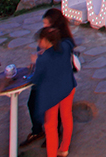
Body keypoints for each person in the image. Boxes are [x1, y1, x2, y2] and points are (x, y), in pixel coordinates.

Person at [22, 8, 74, 147]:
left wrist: (39, 60)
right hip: (43, 77)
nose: (44, 27)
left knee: (53, 110)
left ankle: (55, 134)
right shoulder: (48, 37)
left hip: (54, 81)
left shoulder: (64, 42)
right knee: (32, 103)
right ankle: (38, 130)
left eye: (47, 24)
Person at [30, 28, 76, 157]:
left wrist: (36, 61)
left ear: (44, 41)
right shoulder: (66, 46)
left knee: (50, 126)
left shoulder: (43, 59)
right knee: (67, 117)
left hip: (52, 95)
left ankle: (52, 154)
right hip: (68, 87)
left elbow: (36, 79)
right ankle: (64, 148)